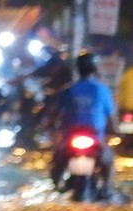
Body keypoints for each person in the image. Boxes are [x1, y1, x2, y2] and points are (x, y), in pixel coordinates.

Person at [50, 50, 117, 191]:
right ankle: (106, 189)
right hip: (95, 138)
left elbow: (55, 115)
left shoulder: (68, 90)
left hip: (70, 138)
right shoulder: (102, 90)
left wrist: (52, 128)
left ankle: (58, 186)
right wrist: (115, 131)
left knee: (57, 161)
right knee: (109, 162)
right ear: (95, 69)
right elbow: (111, 117)